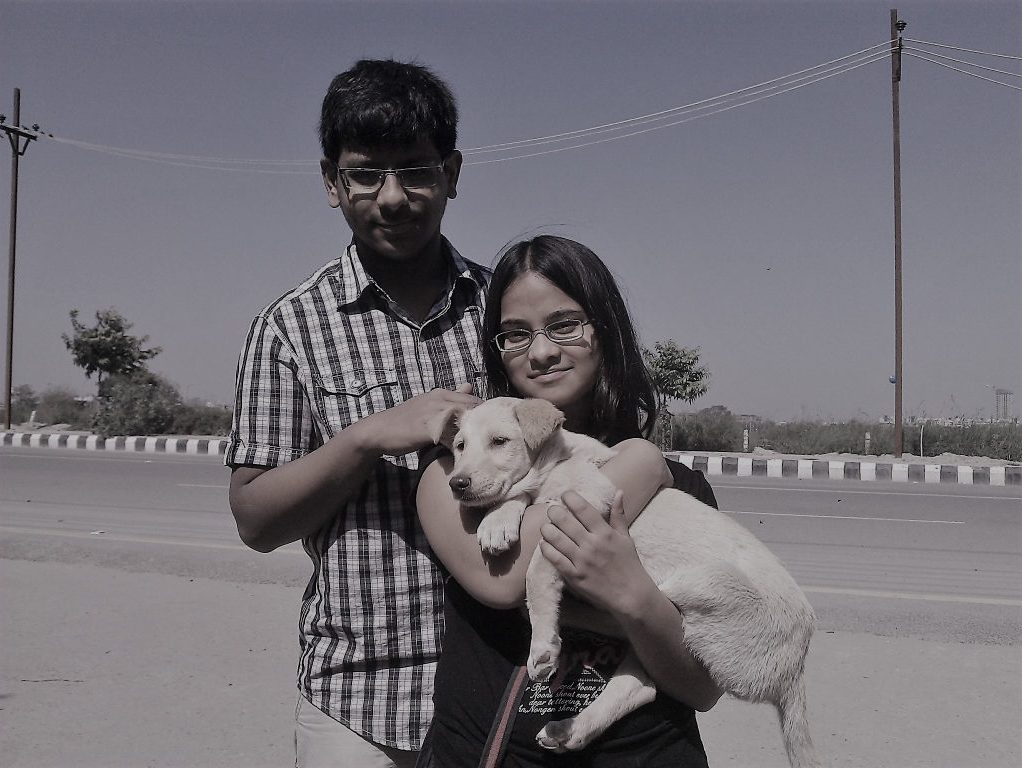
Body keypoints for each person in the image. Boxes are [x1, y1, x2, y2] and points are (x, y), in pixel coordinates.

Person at [225, 59, 489, 768]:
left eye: (416, 170)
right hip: (358, 704)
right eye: (367, 174)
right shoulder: (289, 327)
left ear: (453, 172)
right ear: (331, 182)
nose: (393, 197)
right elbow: (254, 518)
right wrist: (369, 437)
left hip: (500, 691)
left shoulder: (507, 313)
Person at [416, 235, 724, 767]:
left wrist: (631, 595)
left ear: (606, 332)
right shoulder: (453, 479)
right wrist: (640, 463)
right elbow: (505, 579)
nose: (540, 351)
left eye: (564, 325)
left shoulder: (681, 488)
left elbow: (703, 685)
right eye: (514, 334)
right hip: (494, 754)